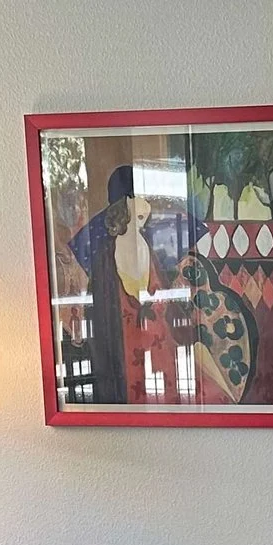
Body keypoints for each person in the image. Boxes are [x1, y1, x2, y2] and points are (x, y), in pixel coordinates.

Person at [65, 165, 153, 404]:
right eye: (139, 200)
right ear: (127, 205)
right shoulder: (105, 254)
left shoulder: (147, 246)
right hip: (118, 341)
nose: (146, 207)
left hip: (147, 345)